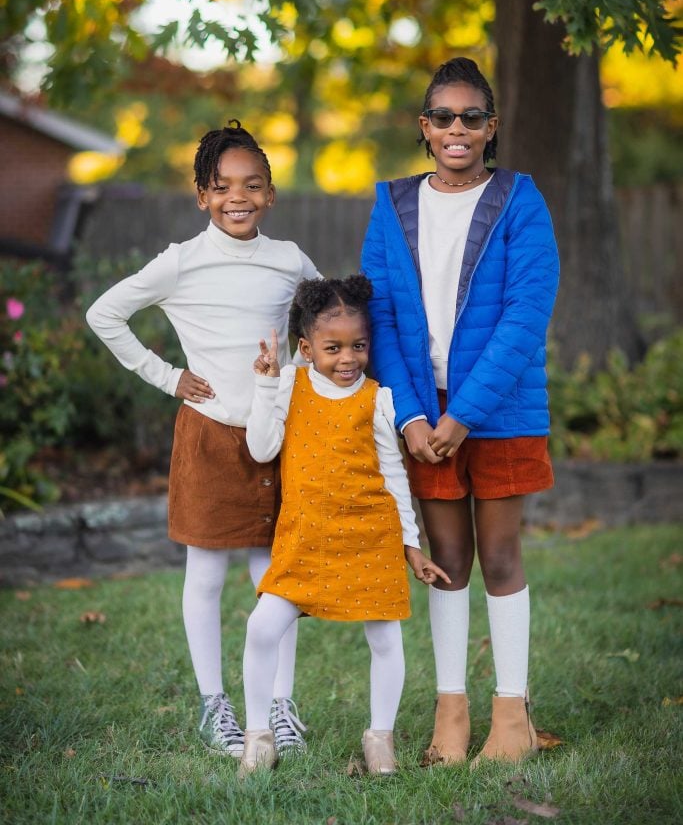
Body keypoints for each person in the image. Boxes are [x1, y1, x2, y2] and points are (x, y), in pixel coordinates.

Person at [86, 121, 320, 759]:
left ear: (270, 193)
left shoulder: (290, 259)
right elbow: (104, 313)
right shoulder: (182, 262)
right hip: (210, 435)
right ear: (201, 196)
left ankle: (279, 705)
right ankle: (216, 706)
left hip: (276, 436)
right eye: (221, 188)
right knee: (207, 574)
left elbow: (321, 328)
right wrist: (167, 376)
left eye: (251, 186)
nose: (236, 198)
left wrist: (296, 379)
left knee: (278, 577)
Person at [360, 57, 560, 767]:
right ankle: (451, 713)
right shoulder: (392, 204)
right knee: (444, 560)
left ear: (490, 127)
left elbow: (524, 313)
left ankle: (512, 718)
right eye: (442, 116)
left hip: (498, 412)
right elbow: (377, 313)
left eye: (470, 117)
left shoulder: (518, 201)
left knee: (500, 555)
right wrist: (413, 416)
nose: (456, 128)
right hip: (424, 414)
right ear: (423, 127)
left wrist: (463, 415)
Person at [240, 275, 450, 777]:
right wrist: (266, 384)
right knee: (261, 627)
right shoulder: (288, 385)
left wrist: (409, 543)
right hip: (306, 541)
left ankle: (380, 736)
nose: (348, 358)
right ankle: (258, 735)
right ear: (307, 348)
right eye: (333, 348)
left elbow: (394, 473)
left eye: (358, 346)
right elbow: (261, 449)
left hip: (369, 538)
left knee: (385, 640)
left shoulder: (377, 398)